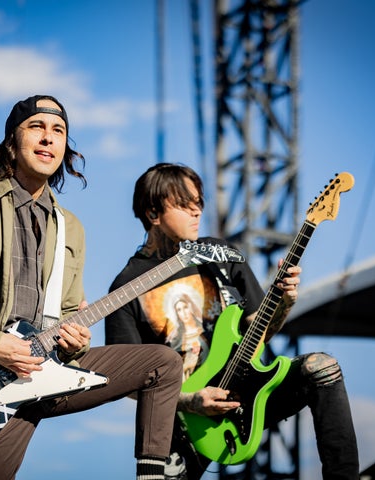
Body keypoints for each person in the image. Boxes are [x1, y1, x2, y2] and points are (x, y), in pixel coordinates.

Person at [0, 96, 183, 480]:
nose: (48, 139)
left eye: (58, 131)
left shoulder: (71, 227)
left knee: (163, 363)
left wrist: (76, 339)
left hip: (51, 368)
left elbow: (71, 311)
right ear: (11, 143)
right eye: (36, 127)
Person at [105, 163, 360, 479]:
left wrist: (285, 302)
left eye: (199, 202)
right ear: (153, 214)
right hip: (183, 419)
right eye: (185, 205)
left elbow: (260, 333)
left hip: (251, 392)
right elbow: (125, 382)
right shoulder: (126, 286)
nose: (196, 212)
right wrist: (191, 401)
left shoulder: (220, 255)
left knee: (321, 367)